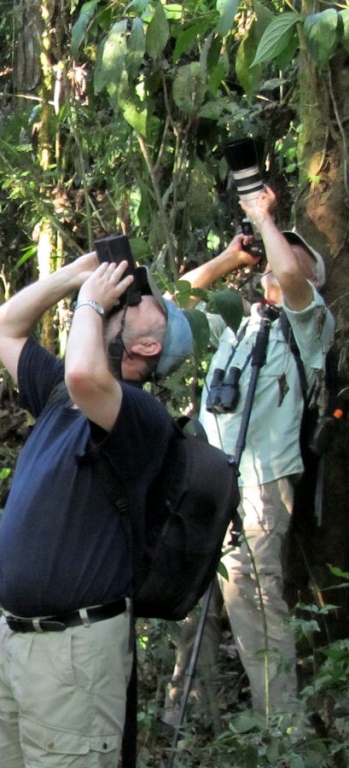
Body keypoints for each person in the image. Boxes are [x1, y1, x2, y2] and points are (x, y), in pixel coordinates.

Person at [0, 250, 192, 766]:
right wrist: (74, 275)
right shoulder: (60, 396)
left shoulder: (142, 418)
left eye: (145, 304)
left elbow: (84, 374)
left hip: (74, 654)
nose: (131, 298)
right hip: (13, 642)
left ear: (146, 346)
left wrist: (92, 304)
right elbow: (1, 326)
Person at [164, 187, 334, 725]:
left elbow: (289, 277)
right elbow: (173, 308)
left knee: (256, 608)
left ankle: (281, 735)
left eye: (294, 249)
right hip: (209, 477)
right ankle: (189, 720)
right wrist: (230, 259)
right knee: (194, 604)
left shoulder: (312, 326)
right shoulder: (237, 321)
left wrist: (265, 219)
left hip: (262, 482)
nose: (279, 252)